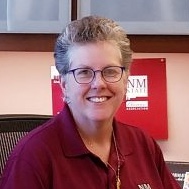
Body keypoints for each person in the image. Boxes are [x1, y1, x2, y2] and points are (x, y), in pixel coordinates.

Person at [0, 16, 180, 189]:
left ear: (125, 80)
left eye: (110, 71)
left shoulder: (142, 143)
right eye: (84, 72)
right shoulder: (32, 156)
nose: (99, 84)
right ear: (64, 85)